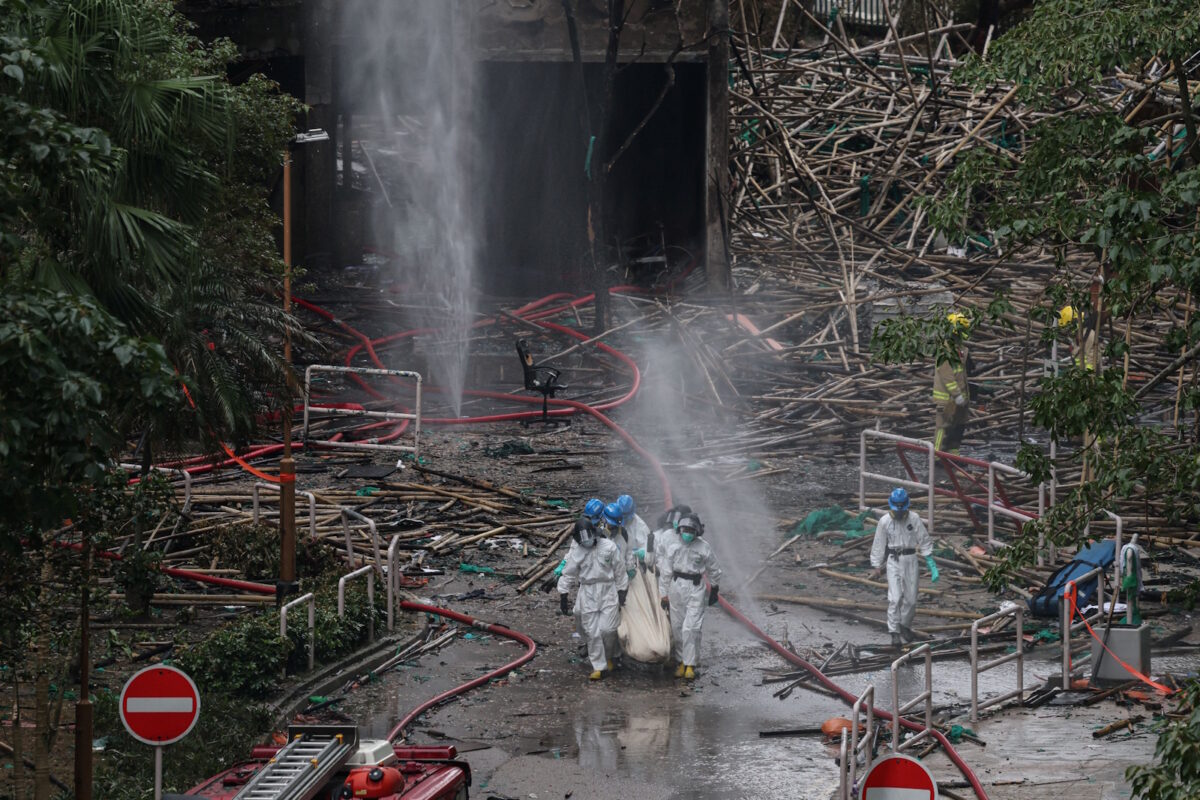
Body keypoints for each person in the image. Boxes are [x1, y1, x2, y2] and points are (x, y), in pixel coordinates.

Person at [558, 516, 628, 680]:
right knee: (592, 632)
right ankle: (599, 666)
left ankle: (609, 656)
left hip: (607, 589)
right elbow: (568, 574)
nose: (586, 541)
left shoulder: (609, 547)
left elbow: (619, 569)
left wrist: (622, 590)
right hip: (588, 591)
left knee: (608, 629)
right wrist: (563, 594)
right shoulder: (578, 552)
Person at [869, 488, 937, 648]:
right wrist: (877, 564)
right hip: (893, 559)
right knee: (895, 598)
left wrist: (930, 560)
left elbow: (924, 538)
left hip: (910, 558)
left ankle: (905, 625)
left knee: (911, 599)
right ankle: (894, 632)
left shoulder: (914, 519)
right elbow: (879, 543)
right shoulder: (885, 521)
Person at [658, 513, 723, 680]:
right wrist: (663, 594)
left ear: (697, 532)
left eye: (690, 530)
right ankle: (680, 661)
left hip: (695, 588)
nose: (687, 532)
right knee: (678, 627)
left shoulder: (703, 547)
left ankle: (690, 665)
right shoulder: (673, 546)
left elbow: (714, 569)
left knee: (691, 627)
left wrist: (714, 588)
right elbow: (665, 571)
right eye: (684, 529)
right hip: (676, 585)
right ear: (679, 529)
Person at [933, 311, 971, 454]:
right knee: (943, 427)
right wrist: (956, 394)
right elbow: (946, 375)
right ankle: (937, 455)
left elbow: (962, 374)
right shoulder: (945, 350)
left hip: (960, 398)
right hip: (947, 399)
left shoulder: (960, 349)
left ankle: (953, 454)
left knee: (958, 427)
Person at [618, 494, 653, 571]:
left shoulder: (641, 526)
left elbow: (648, 553)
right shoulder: (614, 520)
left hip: (634, 568)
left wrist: (641, 554)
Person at [602, 501, 635, 578]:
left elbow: (628, 551)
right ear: (604, 520)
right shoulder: (598, 535)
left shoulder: (624, 534)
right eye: (611, 525)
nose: (614, 528)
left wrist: (630, 567)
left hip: (620, 576)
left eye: (615, 526)